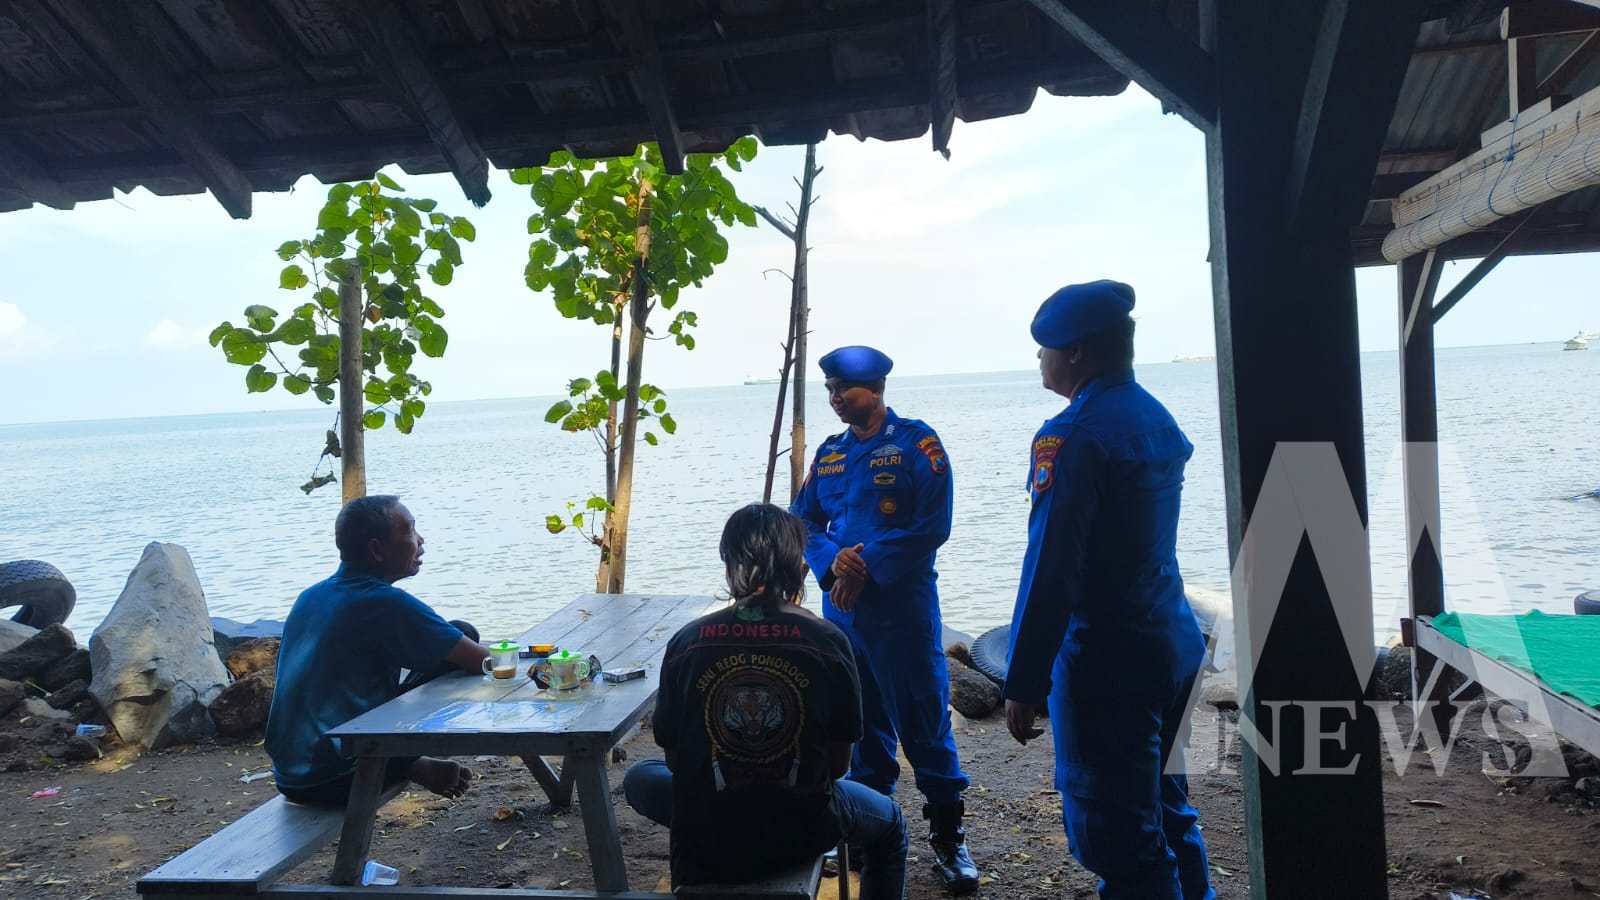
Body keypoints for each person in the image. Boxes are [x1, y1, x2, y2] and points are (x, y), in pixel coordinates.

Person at [1003, 280, 1213, 900]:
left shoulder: (1074, 436)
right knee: (1168, 811)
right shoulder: (1152, 414)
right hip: (1171, 642)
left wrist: (1024, 679)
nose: (1039, 358)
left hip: (1109, 663)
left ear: (1076, 353)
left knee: (1120, 838)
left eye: (1046, 347)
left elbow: (1052, 570)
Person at [622, 503, 908, 899]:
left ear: (729, 565)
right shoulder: (828, 641)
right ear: (799, 567)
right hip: (802, 831)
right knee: (892, 826)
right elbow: (838, 767)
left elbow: (675, 762)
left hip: (705, 835)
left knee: (639, 776)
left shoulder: (687, 642)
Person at [789, 346, 979, 893]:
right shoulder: (830, 454)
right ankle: (870, 833)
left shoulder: (917, 444)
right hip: (843, 615)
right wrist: (833, 562)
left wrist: (865, 564)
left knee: (924, 724)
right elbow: (803, 521)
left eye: (842, 390)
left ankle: (948, 837)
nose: (834, 399)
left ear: (874, 389)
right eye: (828, 390)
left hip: (901, 613)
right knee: (860, 726)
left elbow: (932, 526)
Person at [266, 494, 489, 806]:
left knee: (457, 636)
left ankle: (409, 762)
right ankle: (404, 762)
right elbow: (483, 662)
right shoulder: (385, 602)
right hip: (336, 776)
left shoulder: (312, 596)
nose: (421, 540)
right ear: (377, 550)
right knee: (463, 642)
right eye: (410, 531)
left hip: (290, 774)